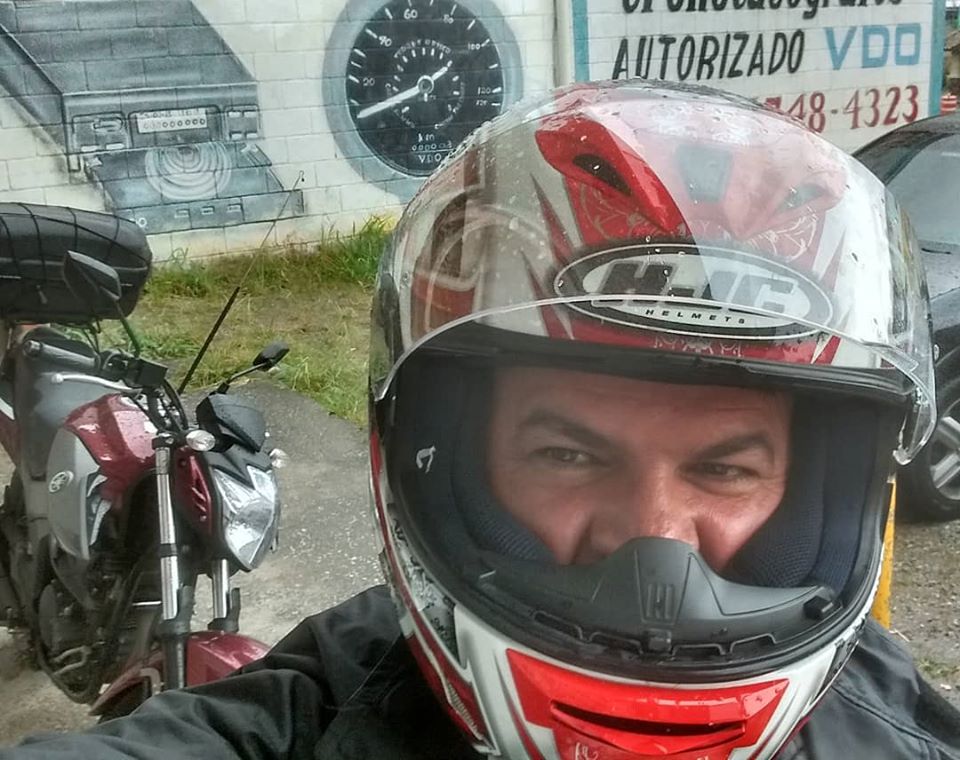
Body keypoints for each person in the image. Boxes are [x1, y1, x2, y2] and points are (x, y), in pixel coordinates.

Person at [3, 80, 960, 759]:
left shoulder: (902, 736)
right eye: (569, 453)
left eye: (725, 468)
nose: (653, 542)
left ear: (826, 496)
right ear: (434, 459)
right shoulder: (307, 718)